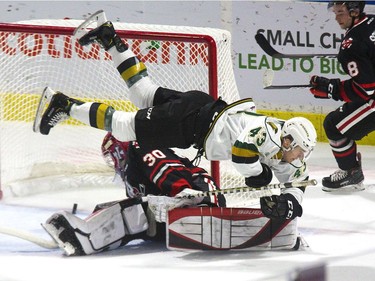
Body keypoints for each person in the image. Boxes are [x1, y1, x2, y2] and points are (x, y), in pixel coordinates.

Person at [35, 14, 317, 232]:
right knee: (123, 126)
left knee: (142, 92)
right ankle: (64, 105)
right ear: (288, 139)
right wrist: (262, 177)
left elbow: (298, 181)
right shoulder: (268, 131)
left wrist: (290, 202)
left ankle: (110, 38)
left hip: (199, 108)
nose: (300, 157)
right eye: (300, 150)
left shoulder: (287, 152)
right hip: (191, 123)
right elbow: (243, 155)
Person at [43, 132, 226, 256]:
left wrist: (182, 191)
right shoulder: (131, 178)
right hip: (172, 216)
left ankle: (86, 236)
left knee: (132, 211)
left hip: (201, 196)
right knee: (123, 212)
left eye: (111, 156)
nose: (112, 162)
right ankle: (88, 236)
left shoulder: (139, 147)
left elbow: (164, 168)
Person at [309, 1, 369, 192]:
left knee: (333, 125)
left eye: (340, 12)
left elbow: (366, 89)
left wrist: (332, 89)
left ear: (354, 11)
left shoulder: (351, 45)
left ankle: (350, 172)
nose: (336, 18)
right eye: (335, 13)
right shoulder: (371, 23)